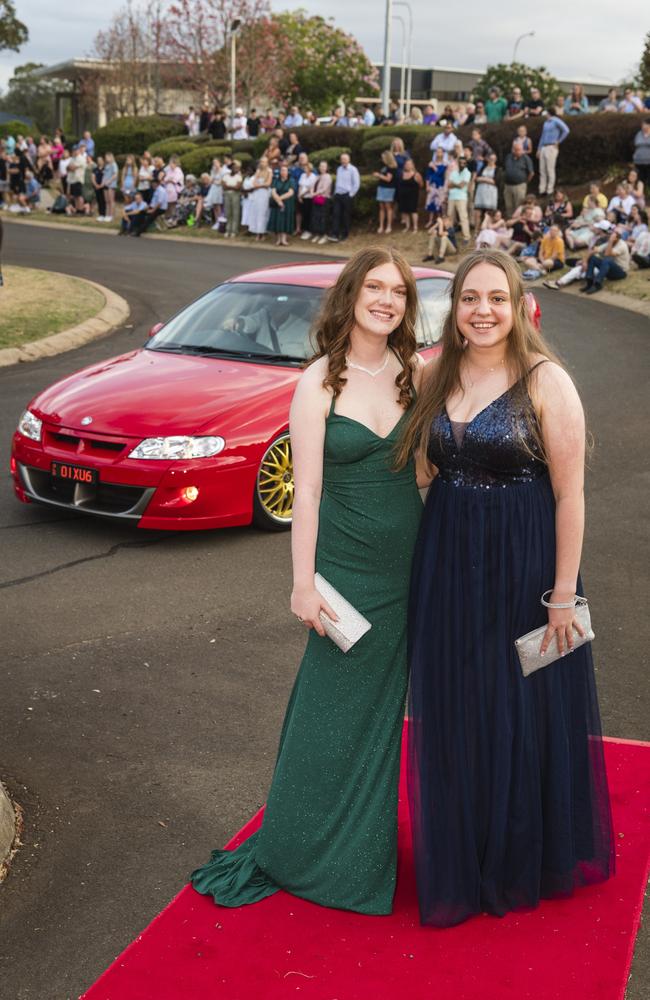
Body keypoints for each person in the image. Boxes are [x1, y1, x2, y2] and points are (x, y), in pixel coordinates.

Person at [191, 247, 424, 915]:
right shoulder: (319, 381)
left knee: (384, 720)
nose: (386, 299)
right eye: (375, 286)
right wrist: (302, 583)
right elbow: (309, 490)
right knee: (330, 716)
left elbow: (426, 472)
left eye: (399, 291)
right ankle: (303, 850)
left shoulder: (413, 374)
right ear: (351, 295)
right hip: (346, 578)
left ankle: (365, 847)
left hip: (411, 570)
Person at [397, 248, 614, 928]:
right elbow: (425, 471)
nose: (483, 311)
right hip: (449, 558)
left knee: (519, 705)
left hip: (525, 562)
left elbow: (571, 494)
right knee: (460, 703)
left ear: (518, 307)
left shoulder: (547, 380)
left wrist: (561, 594)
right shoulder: (435, 374)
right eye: (469, 299)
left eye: (496, 298)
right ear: (454, 309)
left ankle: (521, 853)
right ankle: (464, 846)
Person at [536, 108, 570, 197]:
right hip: (544, 146)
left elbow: (566, 130)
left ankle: (549, 190)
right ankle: (542, 189)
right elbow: (542, 136)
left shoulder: (556, 121)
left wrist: (558, 141)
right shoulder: (546, 123)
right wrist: (539, 149)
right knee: (542, 169)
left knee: (549, 169)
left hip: (552, 146)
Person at [328, 153, 360, 243]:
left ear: (349, 160)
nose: (343, 161)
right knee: (336, 214)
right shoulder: (339, 169)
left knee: (345, 216)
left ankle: (344, 234)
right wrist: (335, 193)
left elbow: (356, 184)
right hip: (338, 195)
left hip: (347, 195)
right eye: (342, 159)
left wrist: (351, 195)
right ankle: (335, 234)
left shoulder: (353, 170)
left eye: (345, 159)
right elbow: (338, 182)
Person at [503, 141, 534, 218]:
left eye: (519, 149)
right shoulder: (508, 157)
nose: (518, 151)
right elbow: (504, 169)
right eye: (516, 149)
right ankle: (510, 221)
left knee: (519, 205)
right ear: (513, 149)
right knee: (509, 205)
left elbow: (531, 173)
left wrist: (525, 182)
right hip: (508, 185)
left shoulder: (526, 158)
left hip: (520, 185)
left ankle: (517, 221)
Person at [268, 162, 295, 246]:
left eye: (285, 170)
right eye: (282, 170)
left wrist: (280, 199)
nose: (283, 172)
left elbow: (291, 192)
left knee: (285, 220)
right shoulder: (276, 180)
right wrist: (278, 201)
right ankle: (278, 239)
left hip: (287, 203)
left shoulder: (291, 181)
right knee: (278, 220)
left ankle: (284, 239)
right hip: (277, 203)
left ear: (288, 172)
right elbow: (273, 191)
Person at [446, 154, 471, 243]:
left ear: (466, 164)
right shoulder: (453, 172)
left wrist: (454, 184)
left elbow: (462, 185)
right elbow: (449, 185)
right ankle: (450, 235)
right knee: (449, 217)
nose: (462, 164)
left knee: (463, 217)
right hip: (452, 197)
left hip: (461, 197)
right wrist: (457, 184)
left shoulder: (467, 173)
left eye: (464, 163)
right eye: (460, 163)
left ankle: (466, 237)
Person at [247, 157, 272, 240]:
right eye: (261, 162)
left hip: (264, 194)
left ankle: (263, 232)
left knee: (263, 213)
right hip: (257, 194)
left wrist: (260, 185)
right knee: (256, 212)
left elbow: (268, 183)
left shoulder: (269, 171)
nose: (262, 163)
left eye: (264, 162)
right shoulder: (258, 171)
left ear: (267, 163)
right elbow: (254, 183)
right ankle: (257, 232)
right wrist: (261, 185)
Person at [472, 151, 499, 229]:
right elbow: (476, 178)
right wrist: (488, 179)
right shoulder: (483, 167)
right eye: (490, 159)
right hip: (481, 192)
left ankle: (487, 229)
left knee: (489, 213)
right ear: (487, 159)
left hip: (491, 193)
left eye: (493, 159)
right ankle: (476, 231)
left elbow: (495, 181)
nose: (492, 160)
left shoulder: (497, 169)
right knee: (477, 212)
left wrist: (483, 179)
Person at [397, 158, 423, 233]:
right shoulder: (402, 174)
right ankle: (407, 226)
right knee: (405, 211)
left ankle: (415, 227)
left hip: (413, 195)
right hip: (403, 195)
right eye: (406, 164)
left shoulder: (416, 174)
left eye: (409, 164)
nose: (408, 166)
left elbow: (421, 184)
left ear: (412, 165)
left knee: (413, 211)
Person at [374, 150, 397, 235]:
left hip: (388, 189)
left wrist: (378, 175)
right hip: (381, 188)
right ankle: (381, 226)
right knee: (381, 208)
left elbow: (388, 179)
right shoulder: (384, 167)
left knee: (388, 207)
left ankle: (389, 226)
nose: (382, 159)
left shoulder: (391, 168)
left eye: (383, 157)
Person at [424, 148, 447, 226]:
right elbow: (428, 175)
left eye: (440, 152)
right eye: (437, 152)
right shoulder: (432, 163)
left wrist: (434, 167)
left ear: (443, 153)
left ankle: (439, 221)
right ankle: (430, 220)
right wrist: (427, 185)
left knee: (439, 203)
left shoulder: (445, 164)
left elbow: (440, 173)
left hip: (440, 185)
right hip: (432, 185)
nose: (438, 153)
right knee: (431, 202)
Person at [311, 160, 332, 244]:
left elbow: (324, 188)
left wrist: (315, 193)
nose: (322, 168)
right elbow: (312, 186)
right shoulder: (317, 176)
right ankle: (318, 234)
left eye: (324, 166)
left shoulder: (328, 177)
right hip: (316, 199)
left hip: (324, 199)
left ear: (326, 168)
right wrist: (312, 192)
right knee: (316, 217)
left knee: (323, 217)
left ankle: (324, 235)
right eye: (320, 166)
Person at [222, 159, 243, 237]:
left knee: (235, 213)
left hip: (235, 195)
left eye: (236, 168)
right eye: (233, 167)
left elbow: (238, 187)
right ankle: (228, 229)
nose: (235, 169)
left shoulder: (239, 176)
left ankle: (234, 230)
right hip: (227, 195)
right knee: (228, 213)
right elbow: (224, 186)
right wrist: (232, 187)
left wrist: (229, 186)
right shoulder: (226, 176)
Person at [632, 119, 650, 186]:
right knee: (640, 181)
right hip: (638, 161)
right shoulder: (639, 134)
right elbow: (636, 143)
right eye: (642, 125)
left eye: (644, 124)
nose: (642, 126)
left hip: (649, 162)